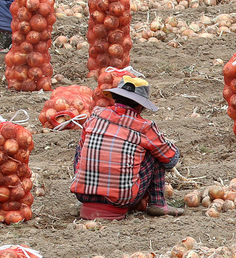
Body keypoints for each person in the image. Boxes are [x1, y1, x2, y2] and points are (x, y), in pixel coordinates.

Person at [70, 76, 186, 218]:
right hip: (122, 199)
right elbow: (170, 160)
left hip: (83, 194)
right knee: (157, 153)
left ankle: (86, 187)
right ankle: (158, 204)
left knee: (81, 147)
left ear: (115, 98)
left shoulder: (94, 116)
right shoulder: (145, 127)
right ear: (140, 106)